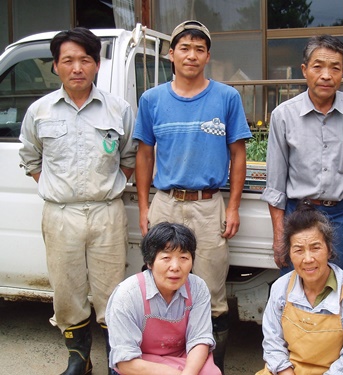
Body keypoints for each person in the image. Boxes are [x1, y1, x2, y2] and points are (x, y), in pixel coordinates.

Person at [133, 20, 252, 373]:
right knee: (162, 284)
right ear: (171, 54)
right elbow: (144, 155)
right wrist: (144, 207)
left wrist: (233, 206)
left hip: (208, 204)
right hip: (166, 202)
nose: (192, 55)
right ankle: (164, 359)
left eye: (199, 48)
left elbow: (238, 154)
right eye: (184, 47)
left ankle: (213, 366)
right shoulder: (152, 100)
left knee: (211, 290)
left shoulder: (226, 97)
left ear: (208, 56)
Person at [18, 27, 136, 374]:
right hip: (60, 214)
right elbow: (31, 159)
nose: (77, 67)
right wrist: (61, 191)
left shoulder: (119, 109)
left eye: (85, 59)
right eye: (68, 60)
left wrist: (101, 189)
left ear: (97, 64)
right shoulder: (40, 111)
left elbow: (130, 157)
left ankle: (119, 360)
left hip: (106, 213)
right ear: (55, 66)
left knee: (111, 291)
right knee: (66, 292)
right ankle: (79, 359)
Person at [261, 35, 343, 285]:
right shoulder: (284, 116)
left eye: (334, 68)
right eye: (318, 67)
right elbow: (275, 184)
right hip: (300, 215)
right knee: (298, 288)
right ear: (305, 70)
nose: (326, 75)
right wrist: (279, 235)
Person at [255, 199, 343, 375]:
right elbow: (272, 341)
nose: (308, 259)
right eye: (299, 250)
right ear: (289, 254)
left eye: (315, 248)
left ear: (329, 250)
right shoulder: (282, 288)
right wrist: (285, 371)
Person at [105, 222, 221, 375]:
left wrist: (188, 373)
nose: (175, 266)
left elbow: (199, 340)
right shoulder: (127, 295)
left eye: (184, 257)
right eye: (166, 257)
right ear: (149, 262)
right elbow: (126, 363)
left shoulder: (197, 288)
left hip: (184, 360)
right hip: (140, 364)